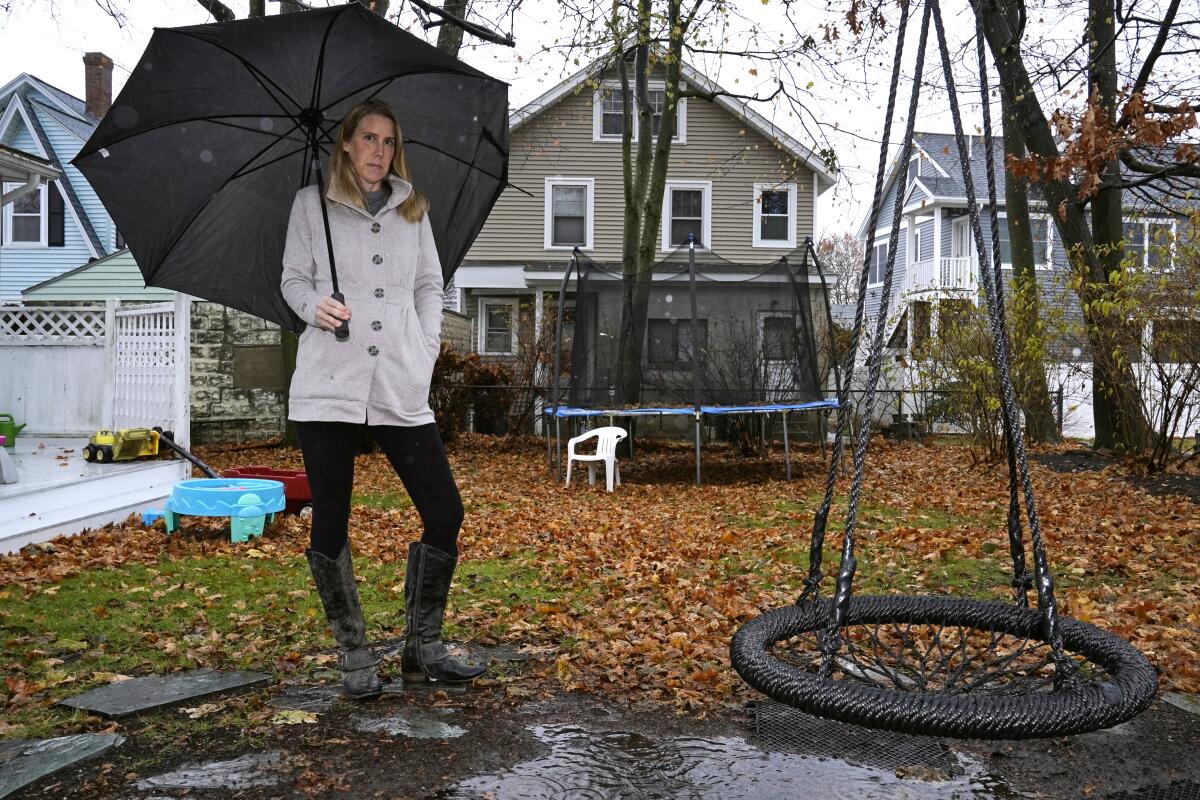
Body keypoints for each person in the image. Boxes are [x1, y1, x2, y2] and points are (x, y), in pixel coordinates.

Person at [281, 99, 485, 699]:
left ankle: (423, 650)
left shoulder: (412, 209)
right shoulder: (308, 205)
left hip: (399, 378)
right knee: (333, 517)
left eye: (389, 141)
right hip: (327, 384)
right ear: (345, 144)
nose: (378, 150)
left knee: (445, 510)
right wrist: (312, 306)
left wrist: (423, 348)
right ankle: (353, 653)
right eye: (367, 139)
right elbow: (293, 278)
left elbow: (429, 285)